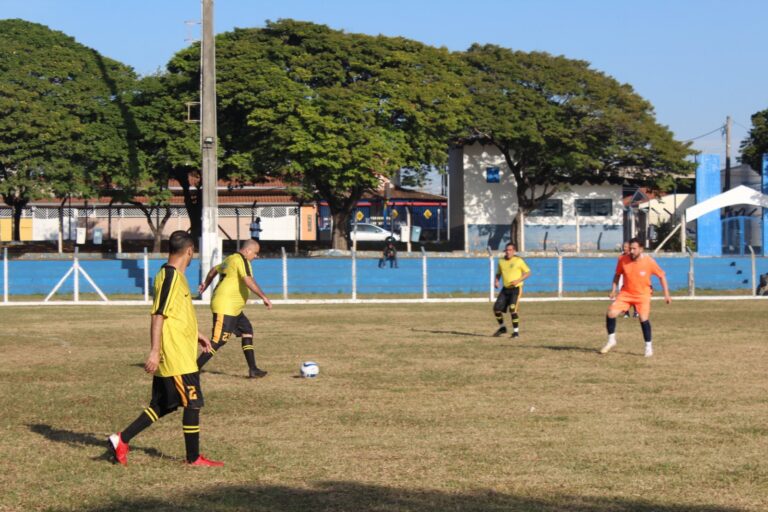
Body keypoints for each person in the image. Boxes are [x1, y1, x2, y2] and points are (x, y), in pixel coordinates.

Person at [108, 230, 223, 466]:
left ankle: (122, 439)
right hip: (176, 355)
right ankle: (194, 458)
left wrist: (197, 335)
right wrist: (154, 350)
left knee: (163, 405)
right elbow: (158, 315)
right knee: (193, 402)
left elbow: (176, 315)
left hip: (179, 348)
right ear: (189, 251)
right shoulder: (170, 277)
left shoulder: (171, 275)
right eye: (193, 254)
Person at [197, 239, 272, 378]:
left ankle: (253, 369)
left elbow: (214, 270)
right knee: (219, 340)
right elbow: (248, 279)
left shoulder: (230, 259)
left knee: (247, 330)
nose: (256, 256)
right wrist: (263, 297)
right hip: (226, 307)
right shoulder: (242, 260)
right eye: (255, 253)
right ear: (248, 251)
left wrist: (206, 284)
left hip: (234, 308)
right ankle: (194, 368)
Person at [600, 237, 671, 357]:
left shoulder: (649, 261)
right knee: (611, 313)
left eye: (634, 248)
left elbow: (661, 276)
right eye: (630, 248)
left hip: (642, 295)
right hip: (626, 294)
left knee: (643, 318)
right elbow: (617, 275)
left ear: (641, 249)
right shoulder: (623, 259)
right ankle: (611, 340)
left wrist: (666, 294)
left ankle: (648, 346)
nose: (631, 251)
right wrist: (613, 290)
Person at [492, 242, 531, 338]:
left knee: (513, 309)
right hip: (505, 289)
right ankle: (502, 328)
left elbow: (528, 272)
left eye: (510, 250)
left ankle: (516, 333)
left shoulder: (519, 260)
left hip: (516, 289)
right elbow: (499, 273)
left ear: (514, 251)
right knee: (496, 309)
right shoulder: (501, 261)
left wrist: (518, 280)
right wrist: (496, 281)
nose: (508, 252)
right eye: (506, 250)